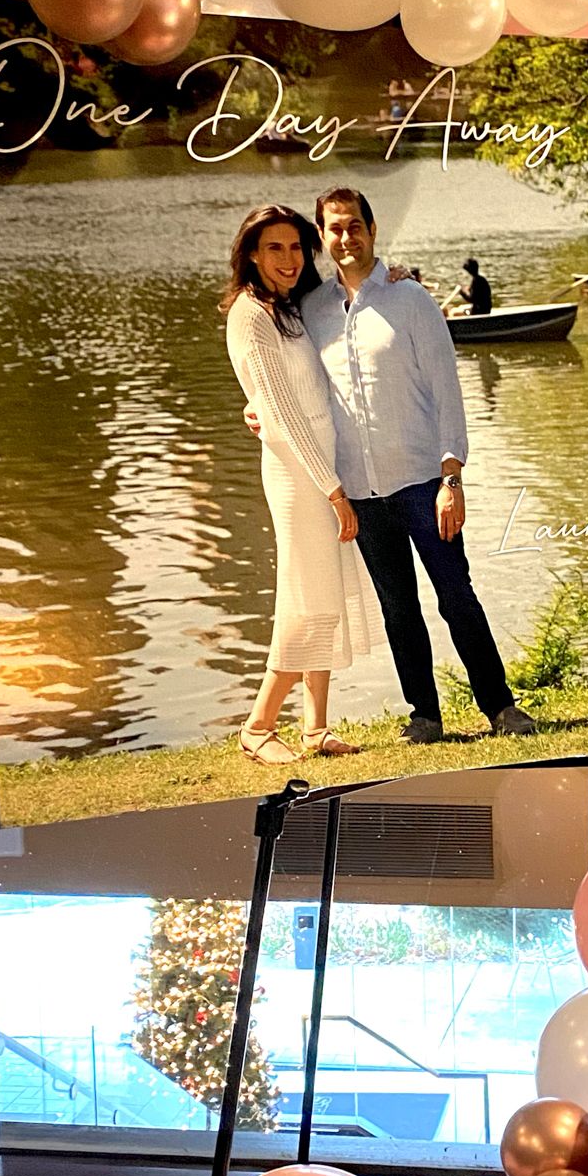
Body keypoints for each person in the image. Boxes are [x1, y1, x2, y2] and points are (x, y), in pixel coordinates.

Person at [299, 187, 535, 746]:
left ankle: (500, 706)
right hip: (361, 490)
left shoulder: (412, 301)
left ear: (372, 228)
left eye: (354, 225)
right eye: (334, 228)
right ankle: (425, 716)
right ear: (323, 238)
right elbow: (287, 374)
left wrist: (452, 477)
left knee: (457, 595)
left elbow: (448, 395)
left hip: (424, 483)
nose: (345, 237)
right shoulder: (312, 311)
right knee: (398, 609)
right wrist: (255, 406)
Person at [223, 204, 373, 765]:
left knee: (325, 595)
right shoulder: (250, 315)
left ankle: (314, 728)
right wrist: (334, 491)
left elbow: (299, 389)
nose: (288, 260)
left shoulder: (287, 308)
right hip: (299, 474)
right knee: (306, 599)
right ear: (252, 256)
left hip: (320, 465)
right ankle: (259, 726)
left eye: (294, 248)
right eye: (274, 249)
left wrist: (397, 275)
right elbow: (281, 413)